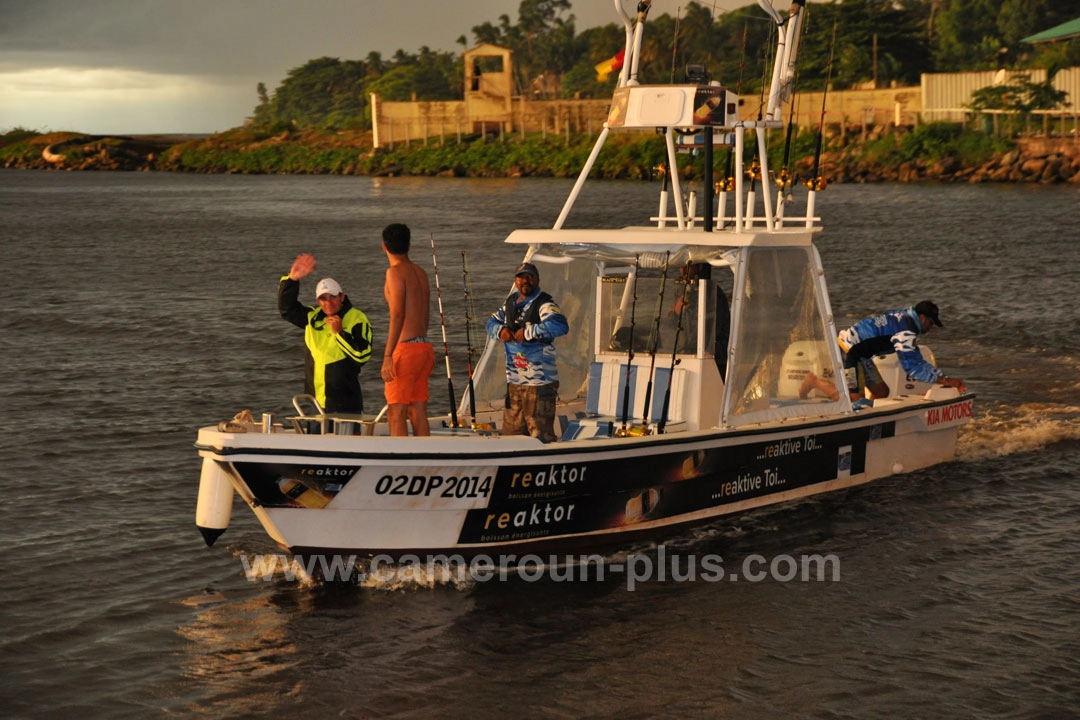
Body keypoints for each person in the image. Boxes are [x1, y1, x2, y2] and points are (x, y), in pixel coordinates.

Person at [278, 253, 373, 413]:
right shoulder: (312, 317)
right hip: (315, 403)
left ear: (342, 296)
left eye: (333, 297)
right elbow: (287, 309)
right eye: (323, 298)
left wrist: (339, 333)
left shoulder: (357, 318)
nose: (328, 303)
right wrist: (292, 280)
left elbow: (362, 355)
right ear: (317, 301)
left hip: (345, 403)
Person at [487, 262, 569, 443]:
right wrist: (500, 331)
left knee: (540, 438)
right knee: (511, 439)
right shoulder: (510, 303)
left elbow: (560, 326)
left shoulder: (544, 303)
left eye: (530, 277)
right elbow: (490, 323)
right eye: (521, 277)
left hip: (539, 385)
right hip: (514, 384)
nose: (525, 281)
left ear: (537, 280)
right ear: (515, 281)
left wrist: (529, 332)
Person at [838, 300, 965, 401]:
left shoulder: (905, 318)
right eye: (931, 323)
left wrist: (945, 378)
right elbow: (912, 369)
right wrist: (944, 381)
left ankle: (868, 418)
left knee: (882, 392)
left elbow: (918, 361)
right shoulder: (905, 332)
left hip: (859, 352)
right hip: (848, 352)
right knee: (857, 401)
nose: (931, 327)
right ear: (922, 318)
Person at [380, 223, 435, 436]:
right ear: (409, 245)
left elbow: (398, 315)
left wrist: (388, 355)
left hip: (405, 350)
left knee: (396, 412)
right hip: (424, 347)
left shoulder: (394, 273)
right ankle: (425, 459)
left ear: (384, 247)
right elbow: (426, 313)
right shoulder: (420, 272)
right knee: (417, 410)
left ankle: (400, 460)